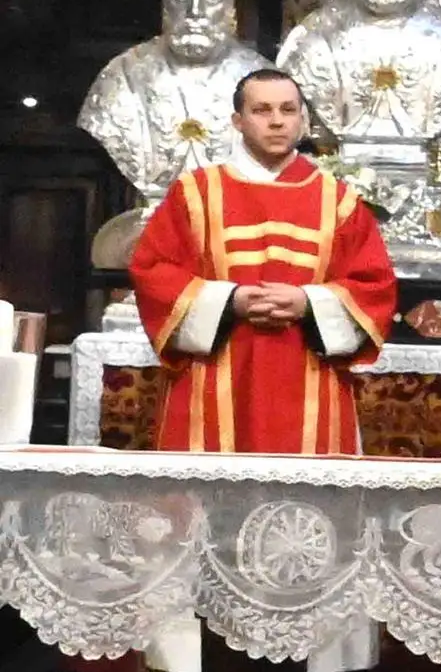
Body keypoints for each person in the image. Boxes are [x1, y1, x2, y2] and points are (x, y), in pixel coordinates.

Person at [125, 68, 396, 456]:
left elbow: (374, 285)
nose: (276, 121)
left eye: (288, 109)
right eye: (262, 110)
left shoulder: (338, 200)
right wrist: (229, 301)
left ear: (302, 119)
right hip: (214, 375)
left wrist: (308, 303)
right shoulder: (195, 193)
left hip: (308, 374)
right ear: (238, 121)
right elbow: (154, 272)